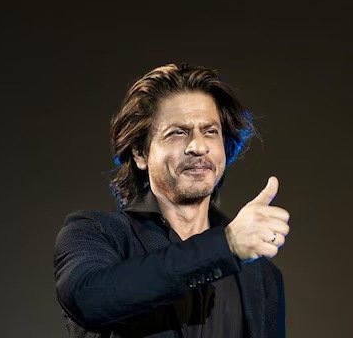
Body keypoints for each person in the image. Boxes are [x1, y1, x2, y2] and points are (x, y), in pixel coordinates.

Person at [53, 63, 290, 338]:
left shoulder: (262, 276)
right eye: (178, 132)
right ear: (141, 153)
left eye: (210, 131)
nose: (198, 146)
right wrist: (225, 246)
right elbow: (89, 299)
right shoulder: (96, 232)